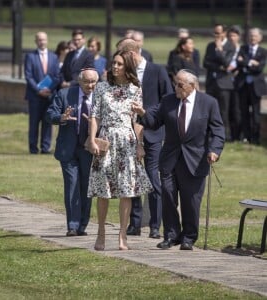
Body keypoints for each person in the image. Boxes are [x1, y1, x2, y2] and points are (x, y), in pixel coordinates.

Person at [132, 69, 225, 250]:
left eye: (180, 84)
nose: (176, 87)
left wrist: (214, 150)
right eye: (175, 83)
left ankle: (189, 237)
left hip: (195, 161)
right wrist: (143, 113)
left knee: (191, 201)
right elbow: (153, 123)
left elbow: (218, 131)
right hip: (170, 159)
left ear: (192, 86)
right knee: (168, 196)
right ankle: (171, 235)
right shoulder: (168, 101)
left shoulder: (208, 103)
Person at [87, 50, 153, 251]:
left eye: (119, 64)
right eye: (113, 63)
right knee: (103, 190)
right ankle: (101, 233)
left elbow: (137, 120)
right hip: (106, 140)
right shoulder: (101, 88)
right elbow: (95, 115)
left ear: (127, 67)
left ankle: (122, 235)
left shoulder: (135, 89)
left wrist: (140, 144)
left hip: (127, 142)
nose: (115, 67)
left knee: (127, 190)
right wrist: (92, 140)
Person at [117, 38, 173, 239]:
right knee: (132, 180)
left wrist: (146, 113)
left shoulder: (157, 71)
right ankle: (135, 223)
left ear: (131, 54)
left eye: (122, 57)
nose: (118, 62)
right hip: (127, 134)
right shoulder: (124, 73)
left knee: (152, 180)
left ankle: (155, 226)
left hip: (152, 133)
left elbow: (167, 99)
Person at [46, 68, 99, 236]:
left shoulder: (101, 97)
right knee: (72, 184)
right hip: (67, 148)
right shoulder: (64, 94)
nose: (90, 85)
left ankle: (83, 224)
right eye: (87, 82)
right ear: (79, 81)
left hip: (88, 148)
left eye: (93, 82)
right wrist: (61, 117)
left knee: (86, 186)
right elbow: (50, 113)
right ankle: (73, 225)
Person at [24, 31, 61, 154]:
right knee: (34, 123)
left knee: (47, 122)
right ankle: (33, 148)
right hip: (35, 96)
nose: (42, 42)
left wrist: (49, 89)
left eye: (44, 39)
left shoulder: (54, 57)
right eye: (39, 40)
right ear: (36, 41)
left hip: (49, 96)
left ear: (47, 40)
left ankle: (45, 148)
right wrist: (38, 90)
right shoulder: (30, 56)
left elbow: (57, 76)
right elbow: (28, 76)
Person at [203, 24, 235, 141]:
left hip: (224, 84)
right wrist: (219, 67)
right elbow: (205, 63)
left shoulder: (230, 46)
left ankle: (224, 136)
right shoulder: (210, 45)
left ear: (224, 33)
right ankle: (209, 134)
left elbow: (227, 63)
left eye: (218, 33)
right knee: (209, 110)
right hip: (211, 83)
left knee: (223, 111)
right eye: (214, 33)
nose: (215, 36)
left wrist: (220, 50)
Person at [236, 27, 267, 145]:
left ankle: (256, 138)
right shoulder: (243, 49)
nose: (252, 38)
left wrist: (245, 62)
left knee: (255, 113)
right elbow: (239, 63)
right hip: (243, 86)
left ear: (260, 38)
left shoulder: (263, 51)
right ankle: (246, 137)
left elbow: (259, 68)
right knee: (243, 112)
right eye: (250, 35)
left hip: (256, 87)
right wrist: (251, 62)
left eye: (255, 36)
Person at [227, 25, 242, 142]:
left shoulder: (242, 50)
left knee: (236, 110)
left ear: (238, 37)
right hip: (226, 83)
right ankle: (228, 135)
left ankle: (237, 136)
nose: (232, 38)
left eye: (234, 35)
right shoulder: (225, 49)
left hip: (238, 84)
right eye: (230, 35)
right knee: (227, 110)